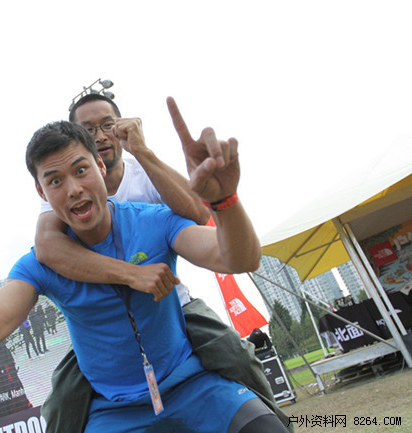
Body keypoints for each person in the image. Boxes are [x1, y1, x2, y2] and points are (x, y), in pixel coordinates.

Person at [0, 97, 289, 432]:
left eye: (80, 170)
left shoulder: (154, 221)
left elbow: (238, 258)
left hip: (194, 387)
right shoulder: (41, 260)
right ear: (41, 192)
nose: (73, 189)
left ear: (101, 168)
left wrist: (225, 202)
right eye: (55, 181)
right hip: (114, 410)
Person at [36, 94, 291, 432]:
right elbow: (47, 247)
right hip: (101, 329)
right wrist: (131, 275)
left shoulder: (146, 173)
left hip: (171, 307)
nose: (101, 136)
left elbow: (200, 214)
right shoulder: (64, 190)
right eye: (89, 129)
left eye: (108, 125)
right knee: (61, 403)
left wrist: (143, 151)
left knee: (236, 355)